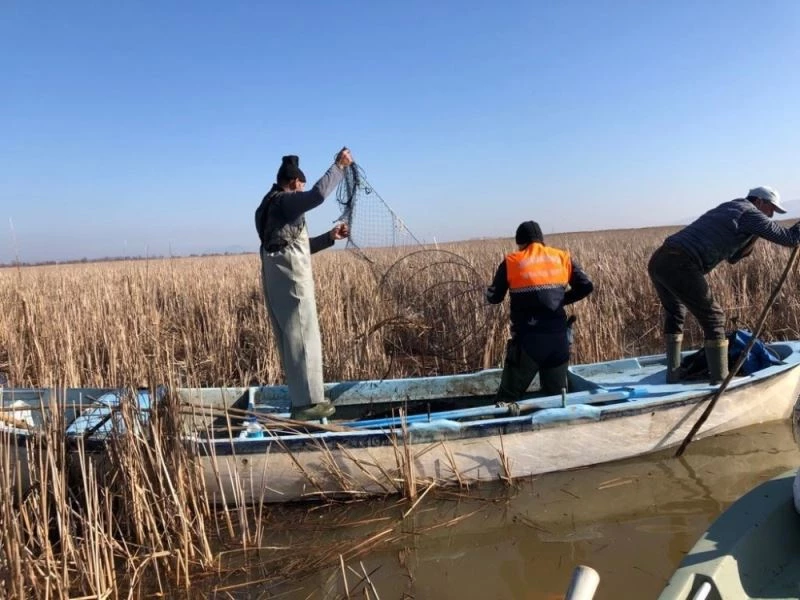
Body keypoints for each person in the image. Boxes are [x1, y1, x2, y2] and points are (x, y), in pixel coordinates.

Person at [648, 186, 800, 384]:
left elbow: (734, 257)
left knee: (676, 313)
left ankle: (673, 373)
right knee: (715, 317)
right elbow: (791, 239)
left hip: (660, 260)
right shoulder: (751, 213)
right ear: (759, 201)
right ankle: (719, 380)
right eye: (771, 209)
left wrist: (755, 234)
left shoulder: (731, 208)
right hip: (680, 263)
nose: (771, 215)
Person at [254, 148, 353, 420]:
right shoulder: (285, 201)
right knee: (303, 334)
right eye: (300, 184)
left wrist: (330, 237)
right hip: (292, 278)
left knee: (291, 338)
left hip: (276, 275)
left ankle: (300, 399)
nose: (302, 189)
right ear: (293, 182)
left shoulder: (267, 205)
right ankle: (308, 405)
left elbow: (295, 245)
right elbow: (318, 195)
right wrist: (339, 167)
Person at [486, 221, 594, 402]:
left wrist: (487, 291)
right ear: (541, 240)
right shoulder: (562, 257)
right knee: (557, 400)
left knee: (506, 401)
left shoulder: (512, 261)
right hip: (559, 341)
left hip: (528, 343)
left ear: (520, 242)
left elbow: (494, 297)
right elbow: (587, 286)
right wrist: (560, 300)